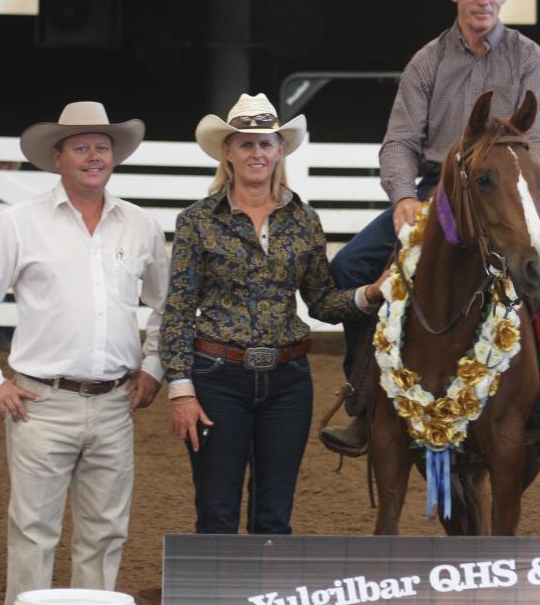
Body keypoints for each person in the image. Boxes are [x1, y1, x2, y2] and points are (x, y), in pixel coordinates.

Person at [326, 0, 540, 464]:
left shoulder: (529, 58)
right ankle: (361, 399)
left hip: (506, 194)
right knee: (348, 270)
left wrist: (522, 203)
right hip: (436, 193)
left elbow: (539, 145)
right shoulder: (427, 61)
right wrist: (403, 197)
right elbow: (400, 142)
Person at [0, 102, 168, 605]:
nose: (93, 155)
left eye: (102, 146)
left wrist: (153, 364)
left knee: (104, 533)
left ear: (113, 156)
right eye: (81, 147)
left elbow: (168, 303)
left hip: (114, 401)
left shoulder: (140, 225)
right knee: (33, 532)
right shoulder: (19, 223)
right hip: (40, 402)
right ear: (58, 158)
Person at [163, 94, 382, 535]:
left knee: (275, 515)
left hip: (287, 380)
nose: (256, 153)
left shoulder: (304, 221)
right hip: (217, 376)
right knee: (216, 510)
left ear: (280, 150)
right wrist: (181, 391)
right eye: (246, 144)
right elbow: (179, 307)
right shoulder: (197, 221)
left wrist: (371, 293)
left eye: (265, 143)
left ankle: (262, 583)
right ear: (227, 151)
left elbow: (321, 301)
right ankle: (218, 585)